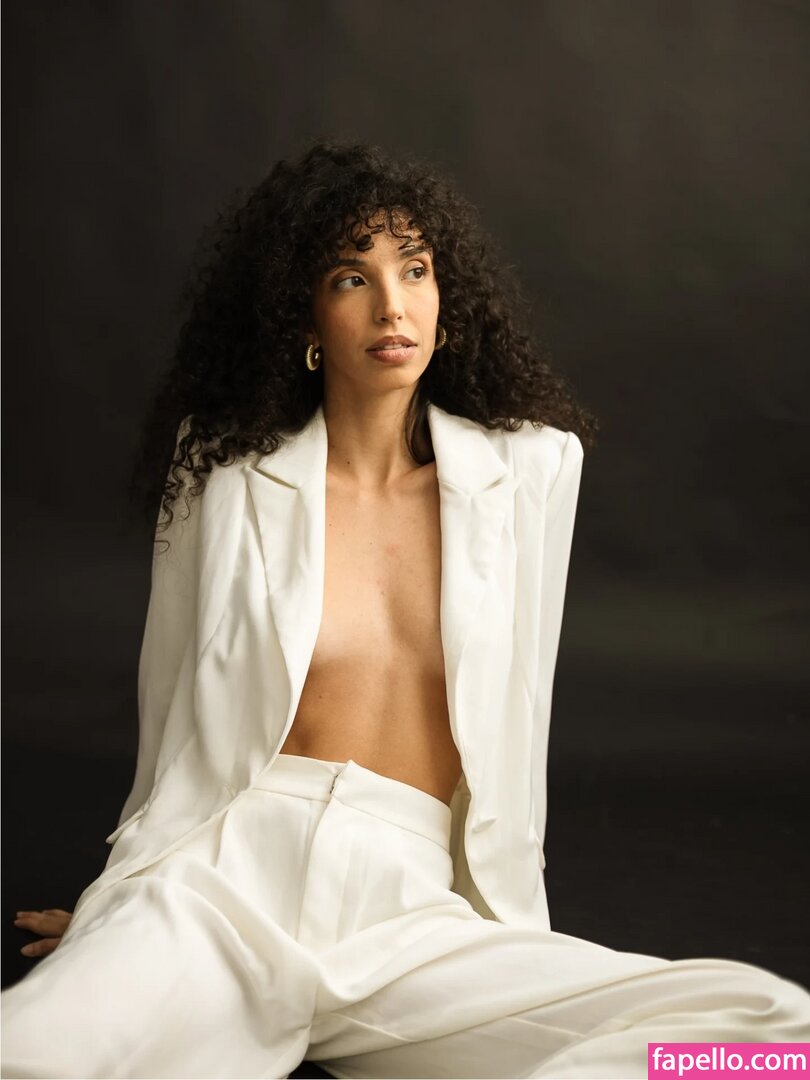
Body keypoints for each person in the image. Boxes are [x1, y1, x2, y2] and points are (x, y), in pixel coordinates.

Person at [3, 139, 808, 1080]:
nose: (393, 304)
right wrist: (119, 910)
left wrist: (508, 921)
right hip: (220, 885)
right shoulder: (223, 472)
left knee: (768, 1032)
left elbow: (523, 712)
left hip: (409, 918)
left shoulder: (529, 473)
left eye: (415, 269)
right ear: (303, 317)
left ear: (444, 299)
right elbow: (170, 710)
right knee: (32, 1054)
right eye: (352, 277)